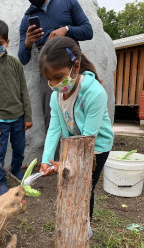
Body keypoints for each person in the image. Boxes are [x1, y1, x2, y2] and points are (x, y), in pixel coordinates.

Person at [38, 36, 114, 234]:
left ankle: (84, 228)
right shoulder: (57, 96)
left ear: (76, 66)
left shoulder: (95, 93)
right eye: (49, 79)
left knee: (84, 186)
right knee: (71, 181)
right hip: (75, 144)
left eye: (58, 76)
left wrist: (66, 163)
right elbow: (54, 127)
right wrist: (47, 159)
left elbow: (88, 139)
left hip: (96, 147)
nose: (54, 84)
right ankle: (71, 223)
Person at [18, 0, 93, 134]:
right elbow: (23, 58)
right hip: (49, 71)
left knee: (83, 108)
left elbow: (88, 31)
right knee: (53, 116)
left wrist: (66, 30)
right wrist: (28, 43)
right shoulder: (27, 18)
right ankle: (57, 155)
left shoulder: (67, 2)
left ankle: (85, 152)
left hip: (71, 62)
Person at [0, 19, 33, 195]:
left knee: (19, 148)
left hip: (18, 118)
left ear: (7, 43)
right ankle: (1, 181)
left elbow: (24, 90)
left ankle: (16, 170)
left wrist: (28, 116)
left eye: (0, 43)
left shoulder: (15, 64)